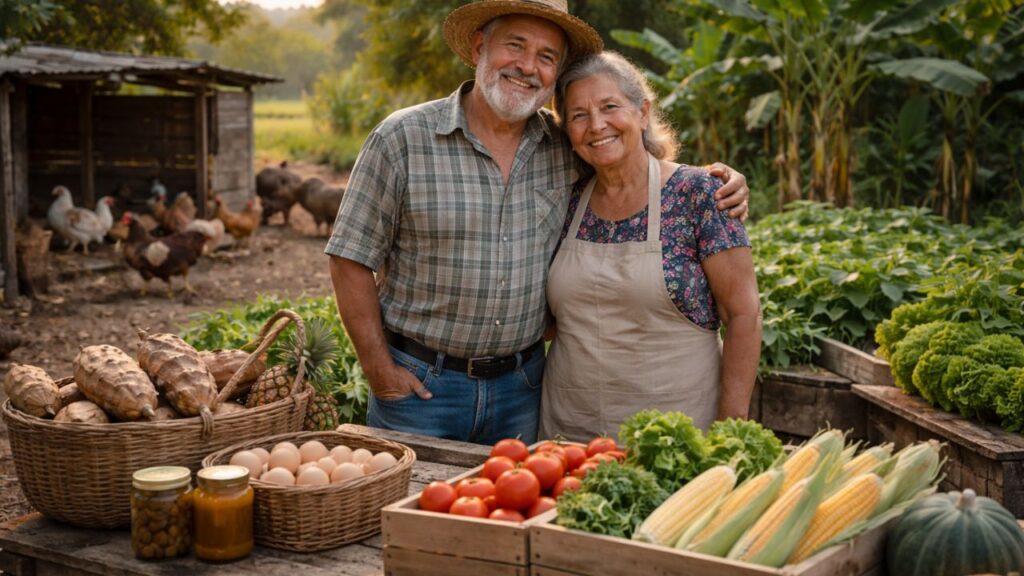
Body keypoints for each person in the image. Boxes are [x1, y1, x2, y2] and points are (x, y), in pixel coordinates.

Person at [326, 0, 750, 445]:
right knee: (407, 513)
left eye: (547, 56)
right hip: (422, 389)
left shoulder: (562, 146)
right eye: (516, 46)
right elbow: (350, 258)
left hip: (522, 390)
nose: (528, 66)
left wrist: (716, 179)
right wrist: (379, 370)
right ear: (478, 48)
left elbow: (627, 157)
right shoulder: (402, 139)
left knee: (519, 510)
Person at [539, 51, 762, 442]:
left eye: (610, 107)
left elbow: (743, 314)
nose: (596, 125)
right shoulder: (565, 200)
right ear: (568, 132)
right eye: (578, 115)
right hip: (569, 434)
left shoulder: (699, 194)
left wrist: (732, 426)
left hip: (675, 433)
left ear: (642, 113)